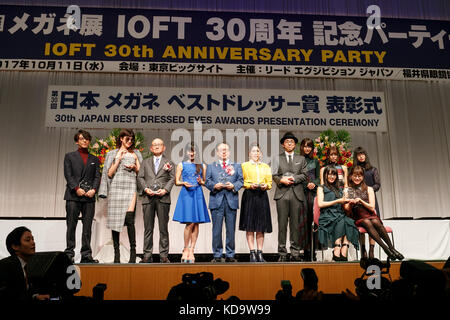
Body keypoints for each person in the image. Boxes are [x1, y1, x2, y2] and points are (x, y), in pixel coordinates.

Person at [343, 165, 404, 261]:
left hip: (369, 213)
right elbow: (346, 209)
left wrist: (360, 201)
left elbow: (372, 207)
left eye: (359, 176)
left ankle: (391, 248)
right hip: (357, 216)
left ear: (363, 177)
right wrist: (350, 204)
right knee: (367, 222)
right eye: (355, 176)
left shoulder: (368, 189)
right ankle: (386, 249)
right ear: (351, 176)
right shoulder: (348, 190)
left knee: (375, 222)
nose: (357, 178)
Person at [99, 129, 142, 263]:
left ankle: (133, 253)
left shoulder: (136, 153)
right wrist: (118, 159)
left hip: (130, 186)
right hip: (116, 187)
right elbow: (109, 173)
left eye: (131, 139)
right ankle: (116, 253)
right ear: (121, 139)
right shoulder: (112, 153)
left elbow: (141, 172)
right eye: (127, 139)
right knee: (115, 221)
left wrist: (134, 166)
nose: (130, 142)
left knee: (129, 219)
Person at [63, 129, 101, 263]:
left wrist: (94, 190)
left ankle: (86, 255)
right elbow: (68, 175)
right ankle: (69, 253)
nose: (84, 141)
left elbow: (97, 176)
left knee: (87, 227)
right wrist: (76, 188)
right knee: (71, 225)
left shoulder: (94, 159)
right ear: (76, 141)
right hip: (73, 196)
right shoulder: (69, 156)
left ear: (89, 141)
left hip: (89, 197)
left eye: (86, 139)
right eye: (81, 139)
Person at [137, 138, 175, 263]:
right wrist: (145, 188)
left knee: (163, 228)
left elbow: (172, 178)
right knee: (148, 228)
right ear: (151, 148)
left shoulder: (168, 162)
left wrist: (165, 190)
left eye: (159, 144)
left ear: (164, 148)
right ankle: (147, 255)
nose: (157, 146)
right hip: (148, 198)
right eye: (154, 145)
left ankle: (164, 255)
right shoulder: (145, 162)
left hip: (162, 197)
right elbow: (140, 177)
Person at [205, 142, 244, 263]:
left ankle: (230, 254)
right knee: (216, 230)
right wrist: (214, 186)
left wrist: (233, 186)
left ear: (229, 152)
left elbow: (241, 180)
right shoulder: (211, 166)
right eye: (221, 150)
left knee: (230, 229)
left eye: (226, 150)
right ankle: (217, 254)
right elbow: (207, 181)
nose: (223, 152)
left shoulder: (237, 166)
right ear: (217, 152)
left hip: (231, 200)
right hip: (216, 199)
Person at [272, 132, 308, 262]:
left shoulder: (301, 159)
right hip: (282, 193)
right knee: (282, 225)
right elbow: (274, 175)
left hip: (296, 194)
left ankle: (295, 253)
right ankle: (282, 253)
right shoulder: (277, 158)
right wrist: (282, 180)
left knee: (295, 225)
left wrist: (293, 178)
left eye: (292, 142)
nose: (289, 143)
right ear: (283, 144)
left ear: (295, 144)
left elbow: (304, 175)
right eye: (287, 141)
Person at [172, 142, 210, 263]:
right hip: (187, 194)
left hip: (197, 193)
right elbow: (176, 181)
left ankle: (192, 250)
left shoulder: (202, 165)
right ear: (186, 152)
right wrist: (184, 183)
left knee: (196, 222)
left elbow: (205, 181)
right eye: (189, 151)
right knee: (189, 223)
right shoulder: (181, 165)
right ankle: (185, 248)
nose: (191, 153)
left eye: (194, 151)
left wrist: (201, 181)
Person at [317, 166, 359, 261]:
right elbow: (320, 204)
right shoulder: (321, 188)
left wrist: (349, 203)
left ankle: (345, 246)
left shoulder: (339, 190)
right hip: (327, 215)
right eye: (330, 174)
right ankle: (337, 246)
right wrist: (337, 201)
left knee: (350, 221)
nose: (332, 176)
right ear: (326, 175)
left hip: (339, 213)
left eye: (334, 174)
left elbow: (345, 207)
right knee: (341, 220)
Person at [239, 143, 272, 262]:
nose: (256, 153)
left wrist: (266, 185)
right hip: (249, 195)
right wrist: (249, 185)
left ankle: (260, 253)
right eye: (253, 151)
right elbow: (240, 181)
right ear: (249, 154)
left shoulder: (266, 167)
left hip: (262, 195)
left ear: (261, 154)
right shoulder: (244, 166)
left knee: (260, 226)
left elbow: (269, 182)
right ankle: (252, 253)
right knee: (249, 225)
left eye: (258, 151)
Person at [0, 227, 50, 301]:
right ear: (15, 246)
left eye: (33, 239)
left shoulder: (29, 265)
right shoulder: (5, 265)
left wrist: (35, 296)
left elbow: (23, 293)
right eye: (28, 240)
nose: (33, 242)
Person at [353, 146, 381, 259]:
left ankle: (372, 251)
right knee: (362, 224)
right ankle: (363, 249)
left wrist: (367, 191)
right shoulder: (355, 170)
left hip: (371, 199)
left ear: (366, 155)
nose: (361, 156)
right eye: (359, 155)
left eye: (363, 154)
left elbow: (378, 185)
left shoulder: (373, 170)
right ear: (356, 157)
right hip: (358, 200)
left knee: (373, 225)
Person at [300, 137, 320, 261]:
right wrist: (305, 184)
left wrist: (314, 183)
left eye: (309, 146)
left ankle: (313, 250)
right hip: (301, 194)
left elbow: (319, 177)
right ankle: (305, 250)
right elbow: (296, 176)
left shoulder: (315, 161)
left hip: (313, 194)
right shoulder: (298, 160)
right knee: (303, 222)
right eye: (305, 146)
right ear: (302, 147)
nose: (307, 148)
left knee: (314, 221)